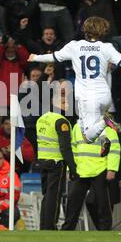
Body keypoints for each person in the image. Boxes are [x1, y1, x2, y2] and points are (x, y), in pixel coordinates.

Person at [28, 16, 121, 149]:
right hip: (103, 95)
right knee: (82, 123)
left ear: (85, 30)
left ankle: (105, 122)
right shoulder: (106, 47)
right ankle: (103, 139)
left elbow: (54, 57)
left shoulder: (75, 46)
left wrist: (35, 57)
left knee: (88, 137)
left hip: (88, 96)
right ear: (102, 31)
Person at [61, 122, 120, 230]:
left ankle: (105, 230)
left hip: (100, 169)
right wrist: (70, 169)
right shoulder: (77, 126)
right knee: (73, 202)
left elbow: (114, 148)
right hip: (81, 170)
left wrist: (112, 168)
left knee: (102, 204)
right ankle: (67, 230)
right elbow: (73, 148)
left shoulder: (106, 126)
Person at [36, 82, 78, 230]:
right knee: (54, 196)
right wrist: (73, 168)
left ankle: (44, 225)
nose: (66, 104)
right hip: (56, 162)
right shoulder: (61, 121)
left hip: (42, 161)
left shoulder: (42, 118)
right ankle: (50, 225)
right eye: (63, 101)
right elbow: (65, 147)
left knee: (47, 195)